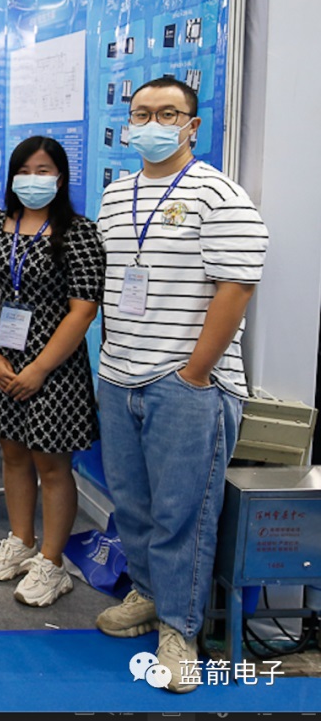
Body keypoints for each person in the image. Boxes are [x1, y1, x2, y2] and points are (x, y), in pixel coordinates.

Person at [96, 77, 268, 692]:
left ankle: (179, 631)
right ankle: (147, 594)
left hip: (186, 384)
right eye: (141, 113)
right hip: (120, 376)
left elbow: (237, 288)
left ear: (192, 125)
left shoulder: (218, 194)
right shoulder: (115, 196)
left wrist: (195, 373)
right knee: (134, 505)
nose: (152, 124)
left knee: (183, 514)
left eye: (167, 114)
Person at [0, 136, 104, 607]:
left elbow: (83, 310)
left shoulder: (79, 233)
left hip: (55, 366)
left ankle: (52, 563)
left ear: (61, 177)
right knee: (11, 453)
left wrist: (40, 369)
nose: (33, 179)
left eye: (43, 170)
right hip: (4, 358)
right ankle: (22, 541)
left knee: (51, 463)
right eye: (25, 170)